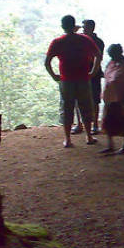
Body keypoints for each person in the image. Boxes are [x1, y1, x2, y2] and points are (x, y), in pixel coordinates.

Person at [45, 15, 101, 148]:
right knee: (86, 106)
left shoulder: (57, 42)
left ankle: (68, 139)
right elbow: (98, 56)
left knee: (67, 108)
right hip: (83, 78)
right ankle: (89, 136)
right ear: (74, 25)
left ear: (62, 26)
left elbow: (47, 62)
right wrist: (93, 71)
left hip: (66, 80)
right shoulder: (85, 39)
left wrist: (54, 76)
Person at [100, 44, 124, 155]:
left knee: (123, 121)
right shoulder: (111, 64)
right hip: (110, 97)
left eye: (113, 55)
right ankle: (110, 145)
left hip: (121, 98)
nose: (111, 57)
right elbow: (107, 78)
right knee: (108, 121)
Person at [72, 19, 105, 135]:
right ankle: (79, 124)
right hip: (80, 72)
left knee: (95, 99)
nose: (83, 29)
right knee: (77, 99)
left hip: (94, 73)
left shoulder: (98, 42)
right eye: (83, 27)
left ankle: (95, 124)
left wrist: (92, 71)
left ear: (92, 28)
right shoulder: (79, 39)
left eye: (85, 27)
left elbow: (97, 57)